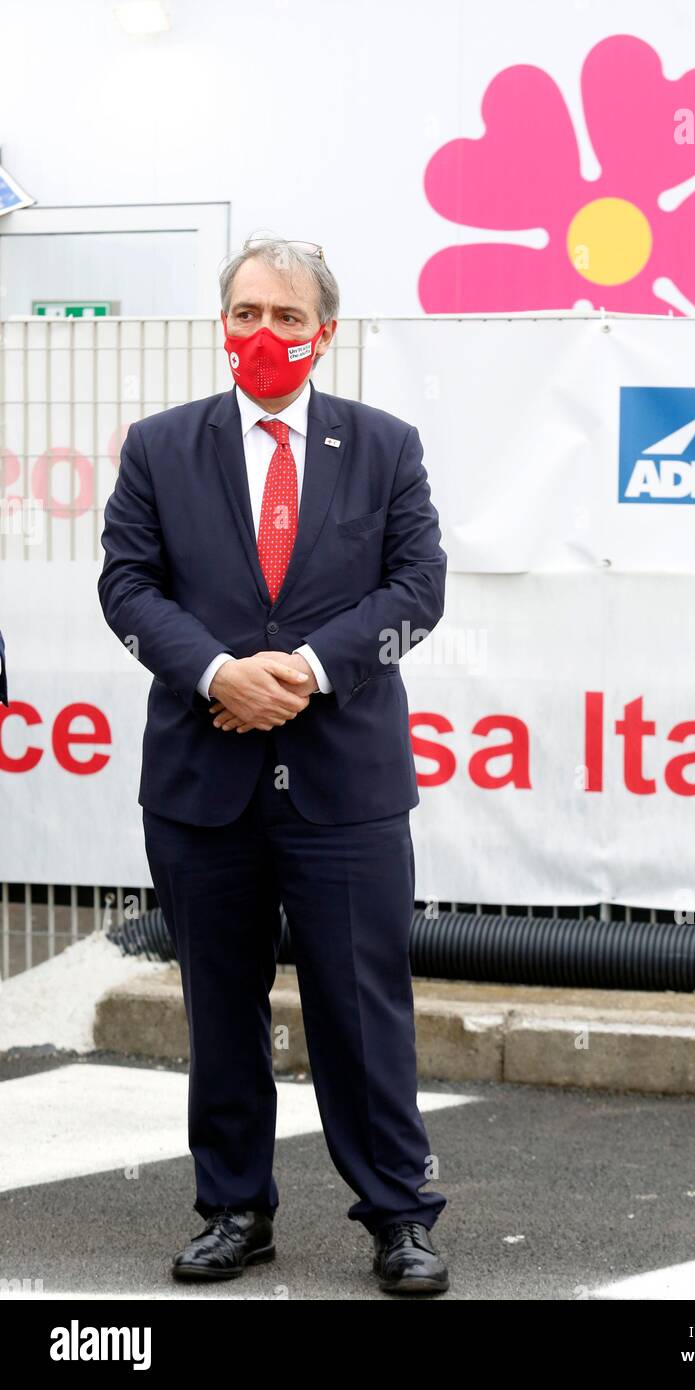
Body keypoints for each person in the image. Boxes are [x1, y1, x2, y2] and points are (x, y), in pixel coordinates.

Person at [98, 236, 449, 1295]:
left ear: (323, 334)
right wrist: (214, 673)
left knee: (360, 1002)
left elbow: (415, 588)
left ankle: (398, 1216)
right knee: (220, 1002)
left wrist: (299, 667)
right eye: (245, 313)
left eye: (285, 318)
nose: (264, 334)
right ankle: (234, 1210)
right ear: (223, 326)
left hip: (342, 782)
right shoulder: (162, 447)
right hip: (204, 781)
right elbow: (127, 585)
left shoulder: (384, 446)